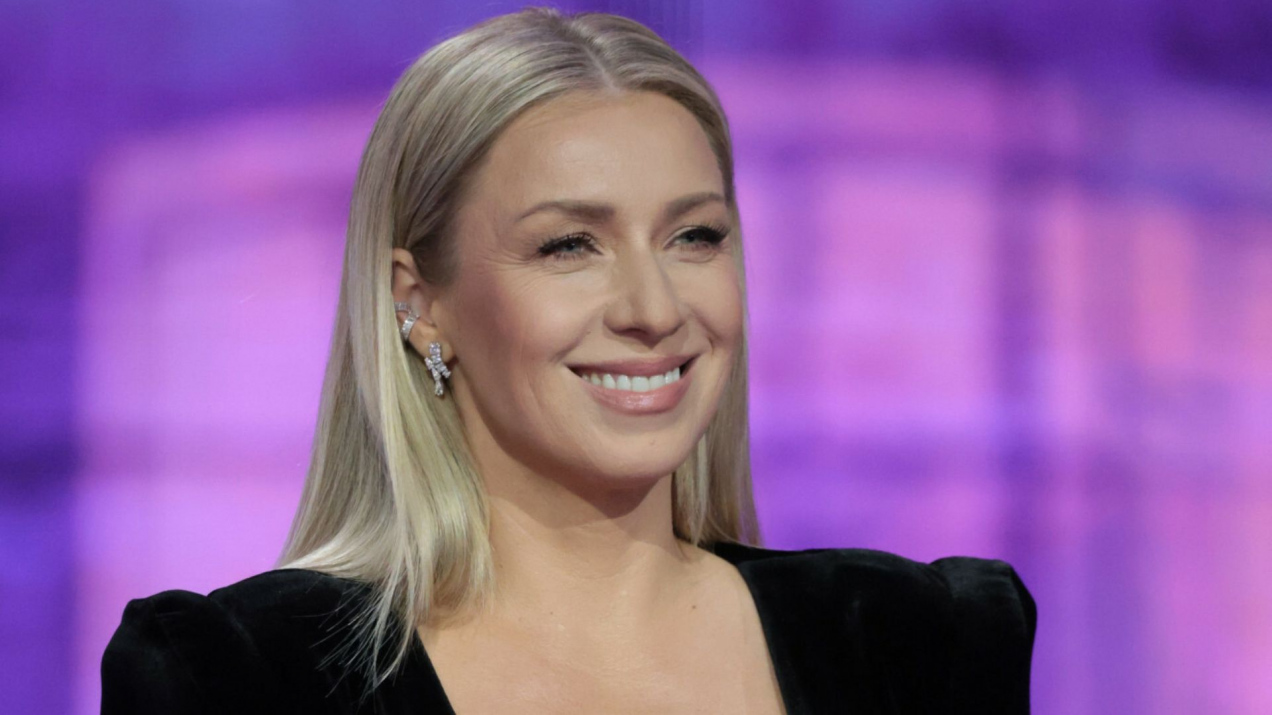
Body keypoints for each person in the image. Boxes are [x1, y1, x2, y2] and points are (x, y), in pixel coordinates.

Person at [101, 7, 1035, 714]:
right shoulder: (243, 677)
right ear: (418, 304)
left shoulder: (912, 644)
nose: (653, 309)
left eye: (695, 236)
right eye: (569, 246)